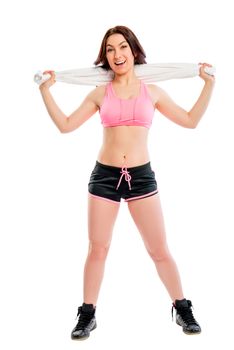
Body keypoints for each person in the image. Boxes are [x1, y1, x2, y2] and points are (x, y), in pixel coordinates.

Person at [38, 25, 215, 340]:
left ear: (134, 51)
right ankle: (87, 315)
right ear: (105, 56)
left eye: (122, 47)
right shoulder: (99, 92)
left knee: (159, 249)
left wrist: (208, 85)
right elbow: (66, 126)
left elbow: (190, 120)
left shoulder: (153, 91)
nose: (117, 54)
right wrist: (45, 91)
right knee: (98, 248)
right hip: (104, 178)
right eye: (110, 49)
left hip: (141, 177)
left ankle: (182, 308)